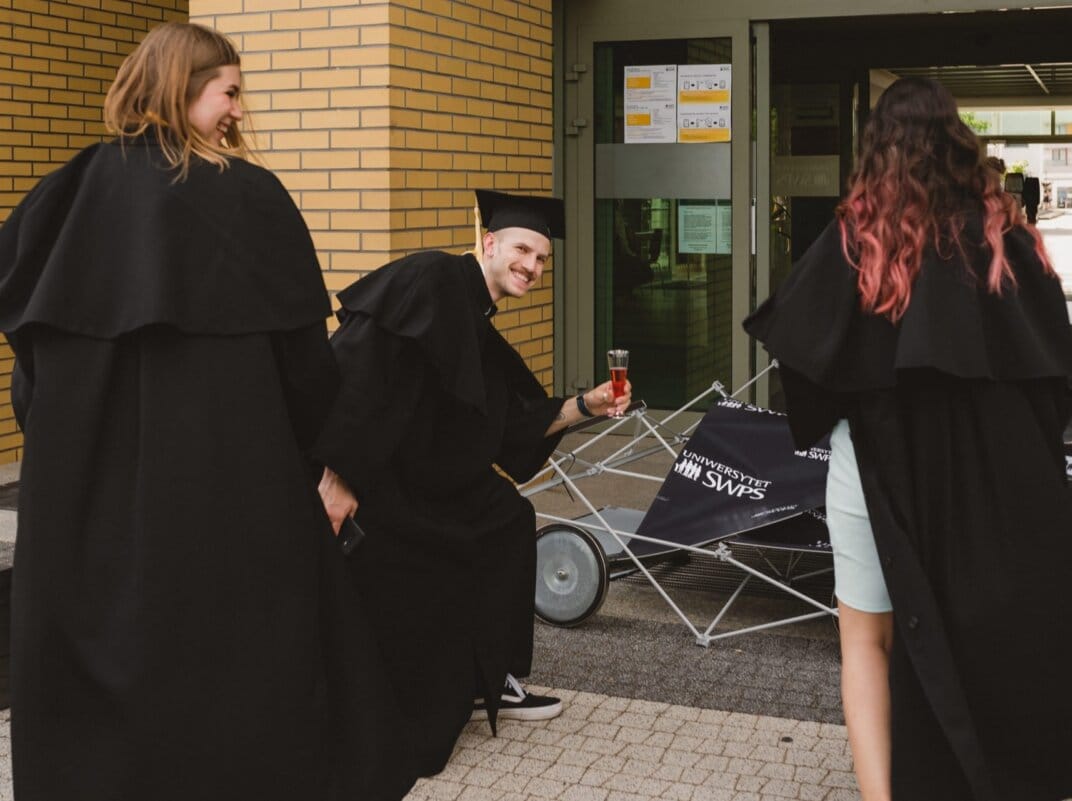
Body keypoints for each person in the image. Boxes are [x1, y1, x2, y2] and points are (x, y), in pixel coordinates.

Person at [0, 22, 411, 801]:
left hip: (81, 487)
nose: (236, 109)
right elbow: (304, 363)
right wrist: (330, 454)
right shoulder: (246, 197)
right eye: (229, 90)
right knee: (234, 655)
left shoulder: (63, 192)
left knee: (98, 655)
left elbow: (30, 354)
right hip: (230, 481)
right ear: (182, 86)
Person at [745, 77, 1072, 801]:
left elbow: (800, 354)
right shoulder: (1002, 238)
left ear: (877, 148)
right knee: (985, 626)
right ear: (957, 140)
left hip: (871, 468)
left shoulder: (855, 239)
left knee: (866, 642)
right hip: (989, 476)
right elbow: (1051, 362)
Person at [313, 189, 632, 777]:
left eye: (540, 260)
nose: (531, 267)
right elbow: (361, 369)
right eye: (521, 250)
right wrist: (340, 475)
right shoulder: (432, 279)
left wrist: (588, 405)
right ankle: (444, 686)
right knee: (435, 555)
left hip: (418, 475)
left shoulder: (475, 320)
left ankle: (493, 681)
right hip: (374, 475)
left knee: (506, 518)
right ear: (489, 243)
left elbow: (515, 420)